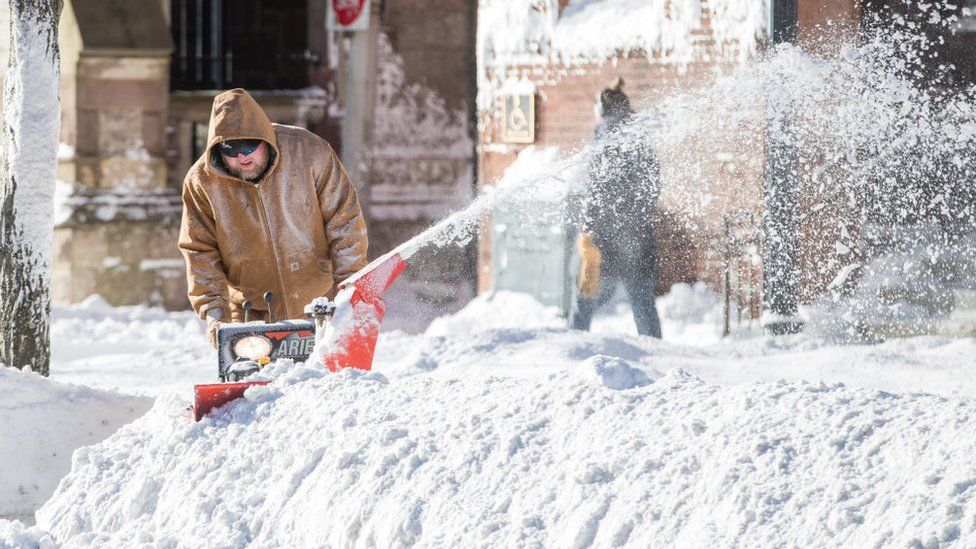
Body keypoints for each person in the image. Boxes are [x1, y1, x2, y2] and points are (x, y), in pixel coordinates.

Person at [179, 88, 368, 347]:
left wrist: (348, 293)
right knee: (257, 387)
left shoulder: (310, 153)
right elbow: (199, 251)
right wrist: (215, 316)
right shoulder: (202, 182)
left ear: (264, 138)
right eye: (230, 149)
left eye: (249, 145)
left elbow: (344, 222)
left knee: (323, 385)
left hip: (320, 308)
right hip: (249, 315)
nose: (242, 156)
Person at [570, 78, 662, 338]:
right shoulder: (640, 140)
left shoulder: (602, 142)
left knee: (583, 300)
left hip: (602, 240)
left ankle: (573, 347)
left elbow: (595, 194)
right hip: (638, 239)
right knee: (642, 303)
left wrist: (588, 233)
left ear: (602, 112)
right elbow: (653, 189)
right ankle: (657, 354)